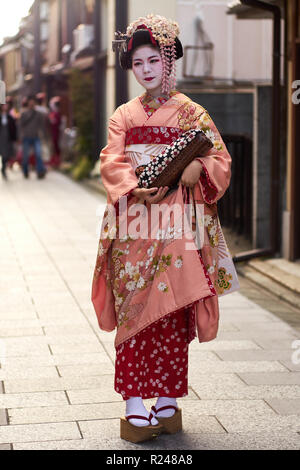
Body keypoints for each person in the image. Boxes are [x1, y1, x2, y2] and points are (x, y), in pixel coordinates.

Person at [91, 14, 240, 443]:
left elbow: (220, 160)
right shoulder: (123, 115)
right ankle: (134, 402)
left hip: (178, 225)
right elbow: (112, 161)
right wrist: (138, 187)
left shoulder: (194, 113)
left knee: (172, 309)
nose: (147, 70)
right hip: (136, 221)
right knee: (135, 305)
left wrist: (197, 165)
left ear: (169, 59)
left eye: (154, 60)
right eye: (138, 64)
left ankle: (168, 399)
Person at [19, 95, 47, 179]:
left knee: (38, 154)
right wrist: (19, 137)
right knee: (25, 156)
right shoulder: (24, 114)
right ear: (28, 103)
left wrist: (44, 136)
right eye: (30, 102)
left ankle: (40, 171)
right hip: (26, 136)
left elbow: (42, 126)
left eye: (33, 102)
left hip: (36, 137)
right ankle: (25, 171)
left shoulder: (39, 114)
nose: (31, 103)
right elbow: (20, 126)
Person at [0, 102, 17, 180]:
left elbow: (14, 128)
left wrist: (15, 138)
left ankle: (3, 168)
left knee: (5, 155)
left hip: (7, 139)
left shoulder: (10, 117)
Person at [48, 96, 62, 168]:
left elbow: (56, 123)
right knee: (53, 147)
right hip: (52, 133)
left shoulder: (57, 114)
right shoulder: (54, 113)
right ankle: (54, 162)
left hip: (56, 133)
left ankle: (56, 162)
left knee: (56, 147)